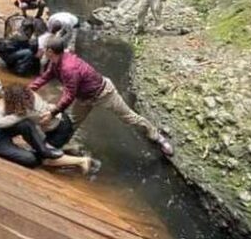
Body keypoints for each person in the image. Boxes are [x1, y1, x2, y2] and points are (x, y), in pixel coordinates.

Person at [30, 38, 174, 156]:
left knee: (129, 117)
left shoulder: (68, 68)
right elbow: (46, 77)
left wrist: (53, 112)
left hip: (104, 93)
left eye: (45, 48)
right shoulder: (56, 62)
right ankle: (60, 146)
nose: (42, 51)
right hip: (84, 97)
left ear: (50, 51)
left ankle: (157, 137)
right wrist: (29, 90)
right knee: (73, 123)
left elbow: (69, 95)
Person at [0, 80, 100, 173]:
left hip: (3, 128)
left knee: (26, 124)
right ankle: (46, 153)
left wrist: (0, 107)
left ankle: (45, 151)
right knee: (30, 160)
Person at [0, 84, 79, 151]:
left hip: (60, 131)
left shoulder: (25, 112)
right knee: (51, 147)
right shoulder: (30, 94)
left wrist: (1, 107)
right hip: (61, 117)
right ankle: (69, 147)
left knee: (46, 160)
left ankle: (83, 160)